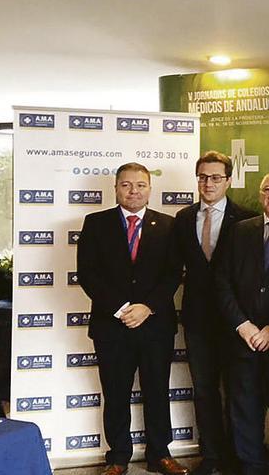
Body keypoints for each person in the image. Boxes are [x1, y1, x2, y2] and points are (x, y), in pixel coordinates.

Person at [76, 162, 188, 475]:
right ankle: (118, 457)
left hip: (155, 326)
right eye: (126, 185)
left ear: (150, 189)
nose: (133, 191)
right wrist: (123, 308)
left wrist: (147, 307)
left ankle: (160, 455)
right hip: (112, 326)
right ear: (115, 188)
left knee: (156, 390)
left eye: (140, 185)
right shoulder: (96, 223)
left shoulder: (168, 225)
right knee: (115, 393)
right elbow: (88, 274)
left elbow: (172, 274)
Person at [215, 171, 269, 475]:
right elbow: (222, 282)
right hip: (243, 338)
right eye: (267, 189)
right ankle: (250, 467)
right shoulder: (239, 231)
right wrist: (243, 325)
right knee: (243, 409)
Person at [173, 151, 257, 475]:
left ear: (229, 180)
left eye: (216, 177)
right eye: (203, 177)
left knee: (238, 393)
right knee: (205, 391)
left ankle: (238, 457)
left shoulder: (247, 218)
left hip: (236, 321)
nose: (208, 183)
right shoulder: (182, 218)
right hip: (197, 320)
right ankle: (211, 457)